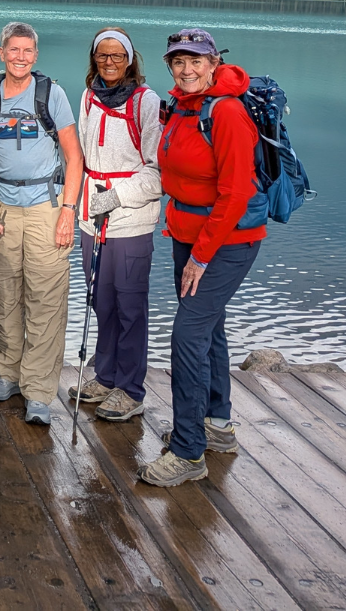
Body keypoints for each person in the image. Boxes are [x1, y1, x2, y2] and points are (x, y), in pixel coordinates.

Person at [139, 28, 263, 487]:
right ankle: (218, 424)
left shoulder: (226, 112)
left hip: (227, 242)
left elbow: (235, 196)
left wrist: (201, 258)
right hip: (188, 236)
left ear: (214, 63)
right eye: (178, 61)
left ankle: (189, 452)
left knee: (187, 336)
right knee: (209, 327)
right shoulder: (183, 108)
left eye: (196, 61)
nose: (187, 70)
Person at [0, 21, 82, 425]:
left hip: (45, 208)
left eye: (27, 51)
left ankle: (38, 391)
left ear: (36, 56)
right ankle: (7, 374)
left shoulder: (52, 94)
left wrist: (68, 210)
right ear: (2, 53)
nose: (19, 57)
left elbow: (74, 156)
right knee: (2, 296)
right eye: (12, 50)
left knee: (46, 299)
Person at [70, 27, 162, 423]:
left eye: (117, 56)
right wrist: (79, 203)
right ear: (94, 59)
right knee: (100, 301)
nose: (109, 63)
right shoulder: (89, 97)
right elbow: (83, 154)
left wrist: (116, 196)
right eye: (102, 56)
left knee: (130, 306)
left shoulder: (146, 101)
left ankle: (131, 388)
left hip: (131, 221)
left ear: (130, 59)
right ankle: (105, 376)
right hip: (92, 218)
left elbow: (158, 173)